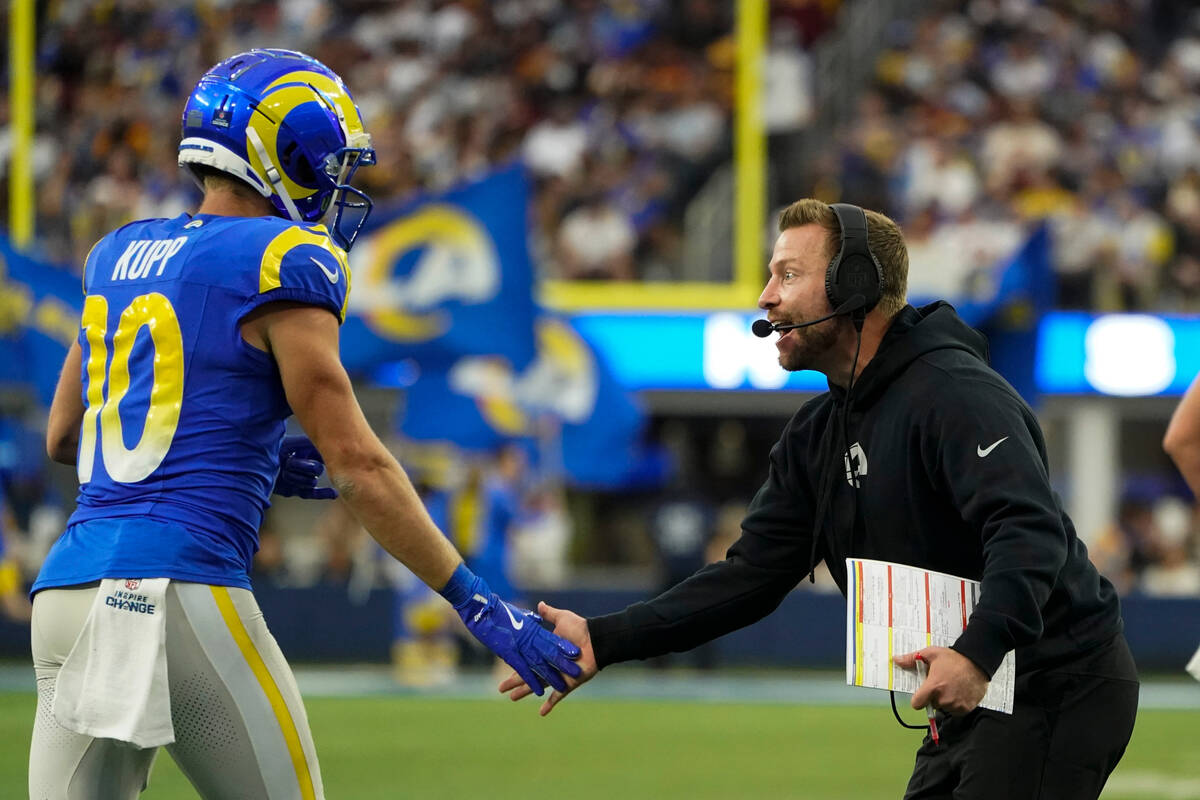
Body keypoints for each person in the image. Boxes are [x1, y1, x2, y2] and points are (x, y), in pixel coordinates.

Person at [31, 48, 579, 799]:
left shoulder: (114, 253)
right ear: (281, 149)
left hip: (65, 592)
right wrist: (474, 600)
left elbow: (66, 436)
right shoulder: (283, 257)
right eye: (329, 160)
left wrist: (236, 440)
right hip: (182, 591)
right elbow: (358, 464)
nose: (336, 183)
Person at [501, 199, 1139, 799]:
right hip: (968, 687)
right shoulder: (817, 434)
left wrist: (977, 652)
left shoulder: (956, 393)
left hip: (1052, 679)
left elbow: (1026, 532)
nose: (765, 297)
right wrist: (604, 639)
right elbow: (749, 576)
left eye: (787, 275)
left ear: (855, 284)